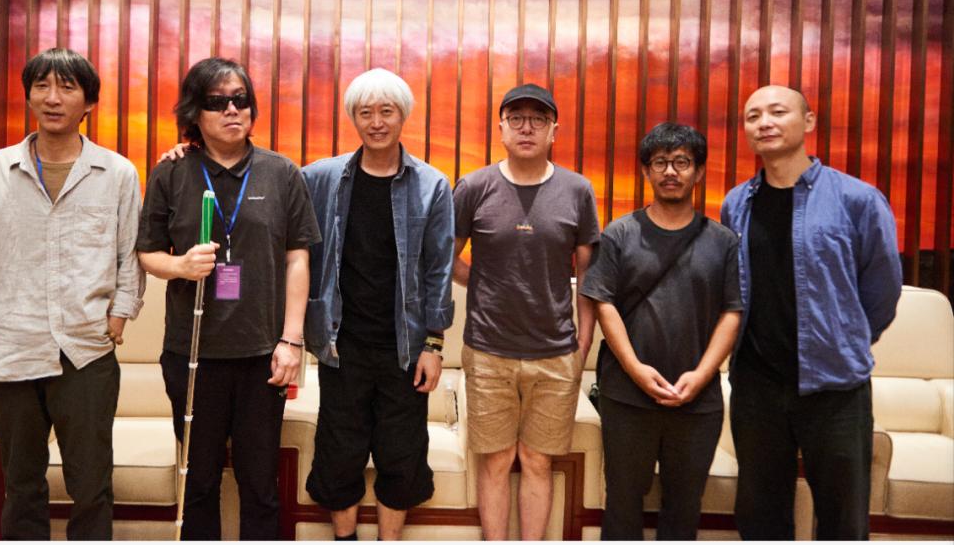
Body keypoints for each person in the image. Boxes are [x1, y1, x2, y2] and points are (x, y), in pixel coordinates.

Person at [0, 47, 144, 540]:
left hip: (86, 351)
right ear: (29, 97)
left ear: (89, 102)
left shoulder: (117, 173)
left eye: (66, 87)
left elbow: (129, 255)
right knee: (21, 487)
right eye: (41, 86)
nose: (52, 98)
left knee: (92, 487)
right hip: (12, 347)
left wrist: (119, 316)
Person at [136, 58, 321, 540]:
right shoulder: (172, 172)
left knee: (259, 484)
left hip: (263, 355)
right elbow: (146, 253)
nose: (232, 110)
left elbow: (297, 260)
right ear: (194, 113)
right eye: (217, 102)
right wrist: (180, 266)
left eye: (241, 100)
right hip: (192, 354)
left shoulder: (281, 172)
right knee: (198, 483)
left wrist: (292, 341)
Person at [721, 85, 902, 540]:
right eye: (753, 116)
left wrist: (844, 337)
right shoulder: (737, 203)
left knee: (843, 519)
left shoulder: (857, 199)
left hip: (835, 386)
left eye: (777, 112)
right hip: (757, 385)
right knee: (760, 518)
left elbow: (882, 290)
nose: (764, 122)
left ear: (808, 121)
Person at [300, 68, 455, 540]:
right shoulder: (321, 178)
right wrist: (190, 153)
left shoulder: (431, 185)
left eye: (386, 111)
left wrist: (434, 344)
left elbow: (439, 270)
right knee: (339, 453)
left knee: (401, 455)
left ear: (402, 115)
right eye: (365, 112)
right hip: (341, 344)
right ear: (353, 118)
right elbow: (264, 183)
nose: (376, 122)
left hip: (404, 348)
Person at [452, 83, 600, 540]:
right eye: (516, 118)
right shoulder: (474, 187)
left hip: (555, 354)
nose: (527, 128)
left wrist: (582, 346)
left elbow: (589, 277)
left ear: (554, 129)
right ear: (501, 128)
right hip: (488, 350)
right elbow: (443, 259)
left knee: (537, 461)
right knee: (496, 461)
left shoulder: (577, 190)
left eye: (538, 119)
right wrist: (484, 283)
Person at [581, 122, 742, 540]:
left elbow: (732, 312)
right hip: (626, 395)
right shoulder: (619, 234)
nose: (671, 171)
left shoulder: (723, 241)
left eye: (682, 162)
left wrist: (702, 375)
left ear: (699, 171)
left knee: (684, 509)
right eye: (660, 162)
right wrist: (635, 369)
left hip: (698, 399)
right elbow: (603, 304)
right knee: (622, 504)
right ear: (646, 171)